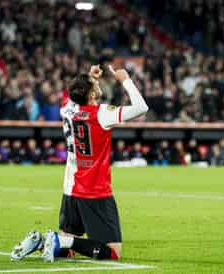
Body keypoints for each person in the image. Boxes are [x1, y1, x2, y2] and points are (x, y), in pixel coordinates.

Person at [11, 65, 148, 262]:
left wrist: (90, 78)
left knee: (69, 249)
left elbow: (74, 95)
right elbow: (141, 108)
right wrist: (125, 79)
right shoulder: (101, 114)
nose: (98, 84)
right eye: (95, 85)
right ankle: (57, 240)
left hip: (70, 188)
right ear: (91, 94)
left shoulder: (67, 109)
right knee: (112, 252)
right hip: (94, 190)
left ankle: (41, 242)